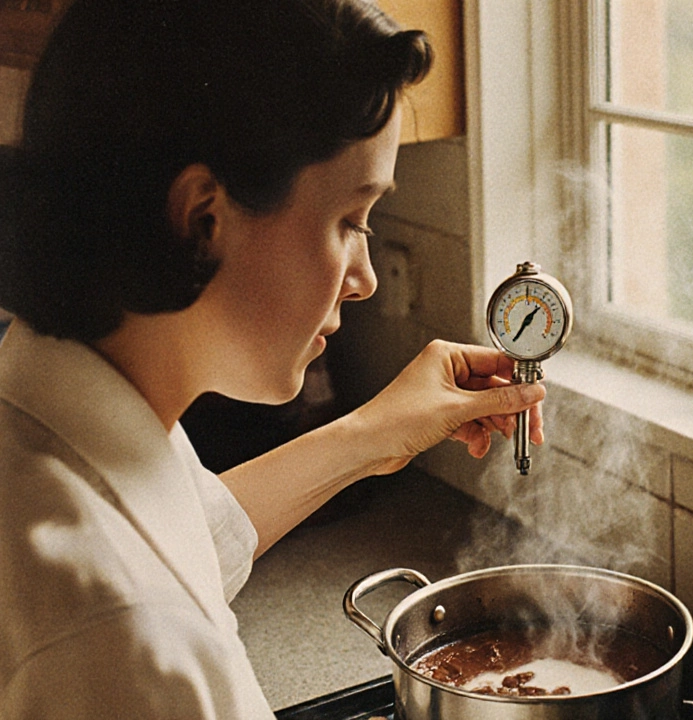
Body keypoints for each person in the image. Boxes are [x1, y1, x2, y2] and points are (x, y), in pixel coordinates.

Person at [0, 0, 544, 716]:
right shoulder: (124, 642)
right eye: (349, 220)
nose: (366, 277)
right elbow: (140, 597)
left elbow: (192, 536)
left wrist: (369, 437)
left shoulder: (59, 411)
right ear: (204, 218)